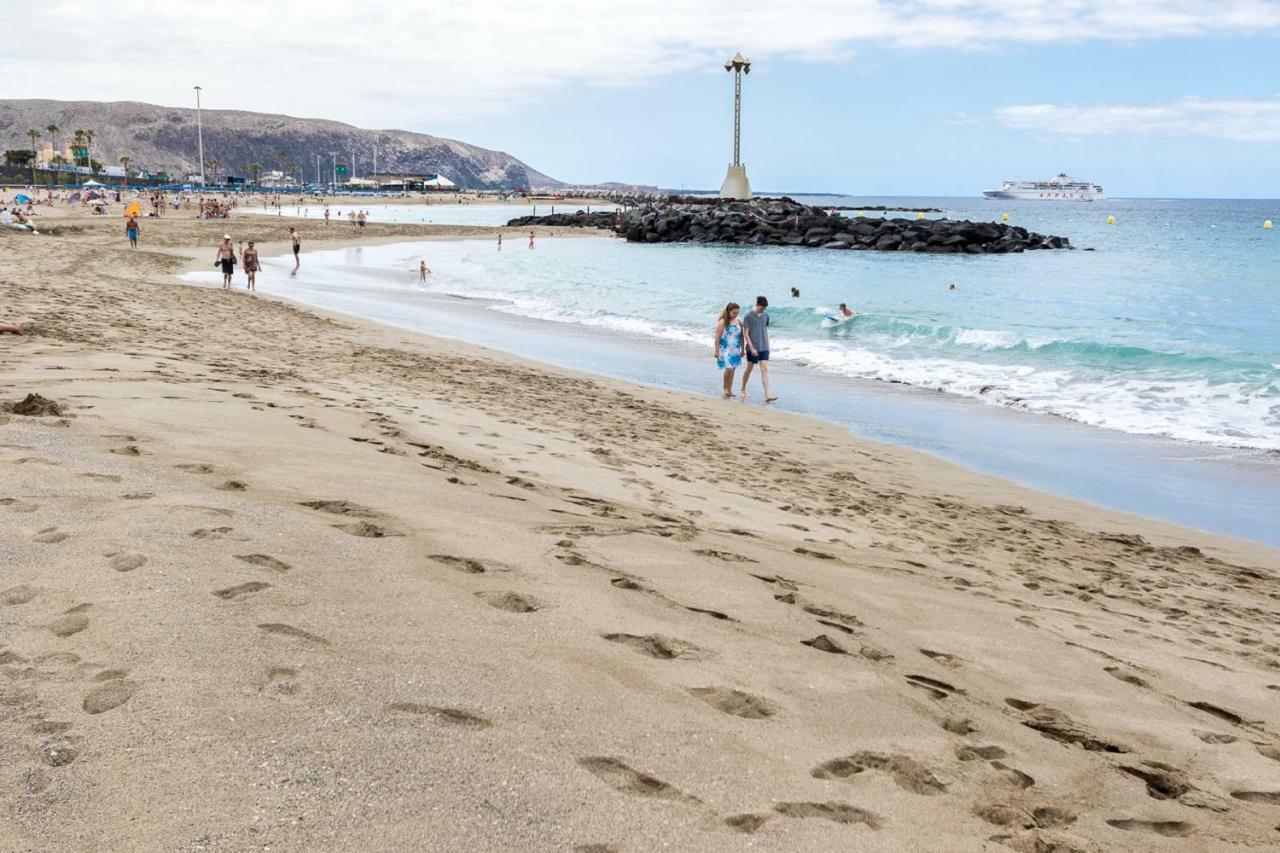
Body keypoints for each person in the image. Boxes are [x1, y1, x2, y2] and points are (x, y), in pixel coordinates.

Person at [740, 295, 776, 402]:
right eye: (761, 307)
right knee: (749, 368)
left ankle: (767, 395)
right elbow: (745, 333)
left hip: (764, 346)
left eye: (764, 308)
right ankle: (743, 389)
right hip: (752, 347)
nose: (763, 310)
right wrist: (751, 347)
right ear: (757, 305)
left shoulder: (766, 315)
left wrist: (768, 345)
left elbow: (765, 330)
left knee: (764, 368)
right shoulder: (748, 316)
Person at [713, 302, 745, 399]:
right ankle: (725, 388)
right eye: (734, 313)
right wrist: (716, 351)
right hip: (725, 348)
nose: (736, 315)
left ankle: (729, 389)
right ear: (729, 311)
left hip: (735, 349)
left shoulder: (738, 321)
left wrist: (742, 349)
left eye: (737, 313)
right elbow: (717, 337)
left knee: (733, 369)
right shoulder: (723, 322)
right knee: (729, 368)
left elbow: (741, 337)